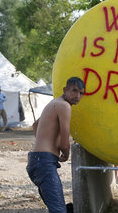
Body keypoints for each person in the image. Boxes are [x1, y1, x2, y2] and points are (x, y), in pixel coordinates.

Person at [26, 77, 85, 213]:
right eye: (74, 91)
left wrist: (44, 142)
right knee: (59, 210)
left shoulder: (53, 103)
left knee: (56, 208)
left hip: (36, 161)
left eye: (81, 93)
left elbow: (35, 125)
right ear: (65, 90)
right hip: (44, 163)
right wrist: (66, 153)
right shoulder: (64, 106)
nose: (77, 96)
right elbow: (65, 140)